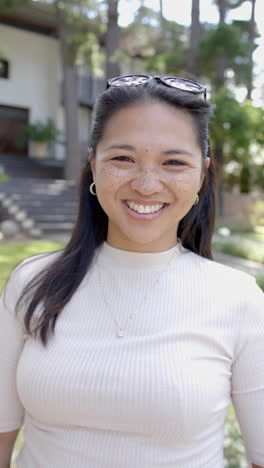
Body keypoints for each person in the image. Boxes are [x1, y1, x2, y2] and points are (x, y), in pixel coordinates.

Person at [0, 75, 263, 468]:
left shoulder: (238, 298)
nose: (146, 184)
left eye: (173, 162)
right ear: (93, 163)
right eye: (123, 159)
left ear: (202, 174)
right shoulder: (32, 281)